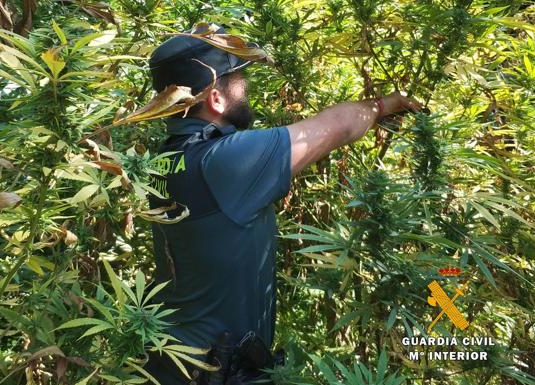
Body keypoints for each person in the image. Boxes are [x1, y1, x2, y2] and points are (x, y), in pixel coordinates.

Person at [144, 23, 421, 384]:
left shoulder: (162, 161)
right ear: (216, 98)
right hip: (214, 372)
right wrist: (385, 104)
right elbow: (332, 128)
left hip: (170, 362)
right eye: (239, 78)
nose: (247, 86)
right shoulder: (227, 162)